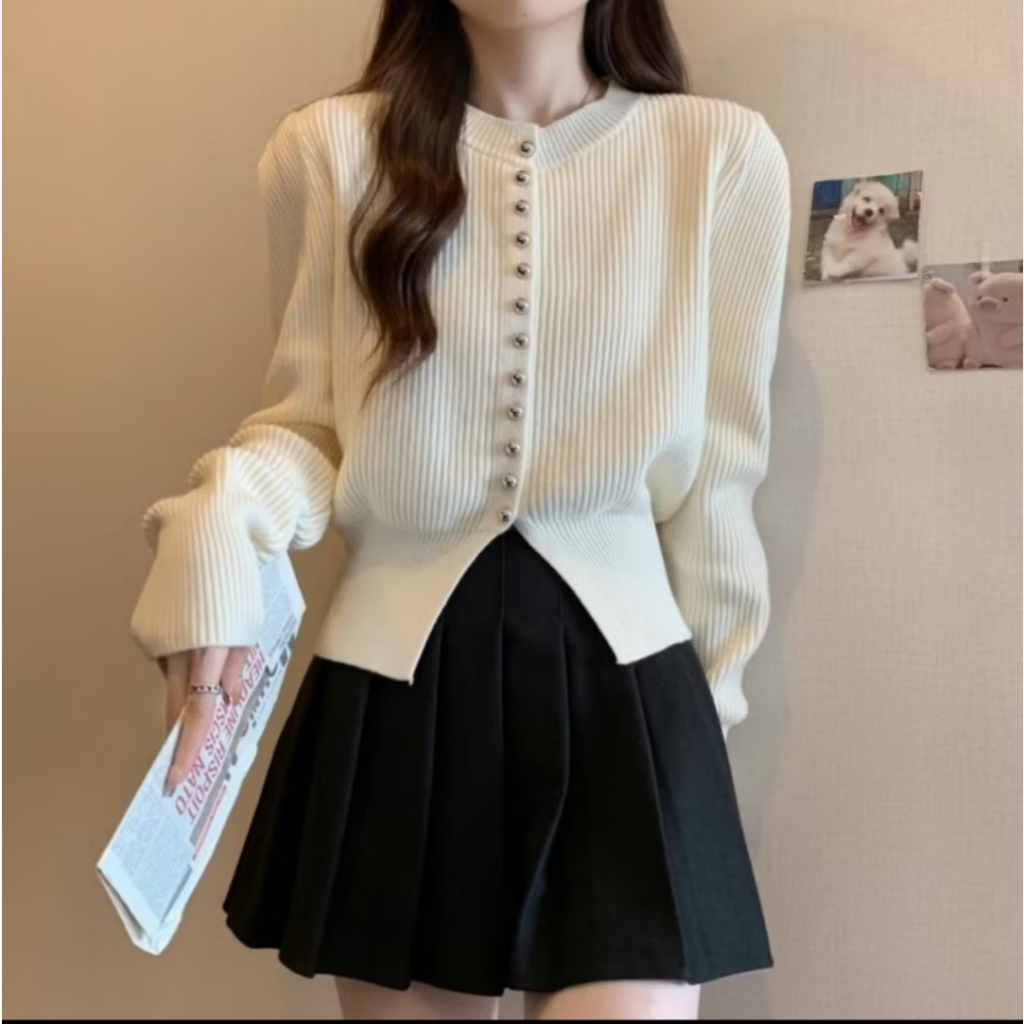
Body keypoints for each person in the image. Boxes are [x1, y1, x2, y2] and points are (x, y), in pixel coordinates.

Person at [128, 0, 791, 1018]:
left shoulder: (721, 155)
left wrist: (707, 717)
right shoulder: (328, 151)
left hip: (629, 698)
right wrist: (220, 518)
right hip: (397, 689)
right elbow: (310, 428)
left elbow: (720, 479)